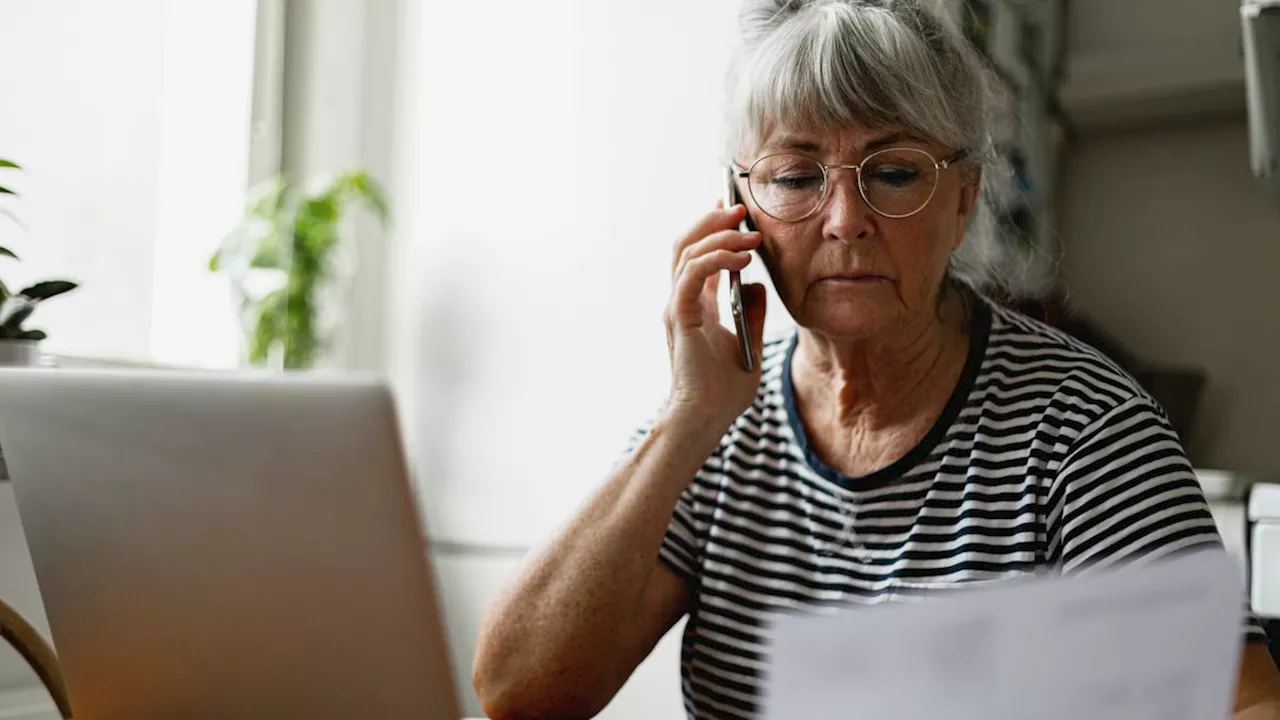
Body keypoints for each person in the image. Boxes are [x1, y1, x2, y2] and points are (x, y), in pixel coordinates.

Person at [472, 1, 1280, 718]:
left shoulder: (1083, 429)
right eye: (796, 176)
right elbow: (519, 694)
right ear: (740, 209)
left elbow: (1245, 702)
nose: (846, 219)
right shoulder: (716, 421)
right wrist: (689, 419)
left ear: (965, 199)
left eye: (894, 173)